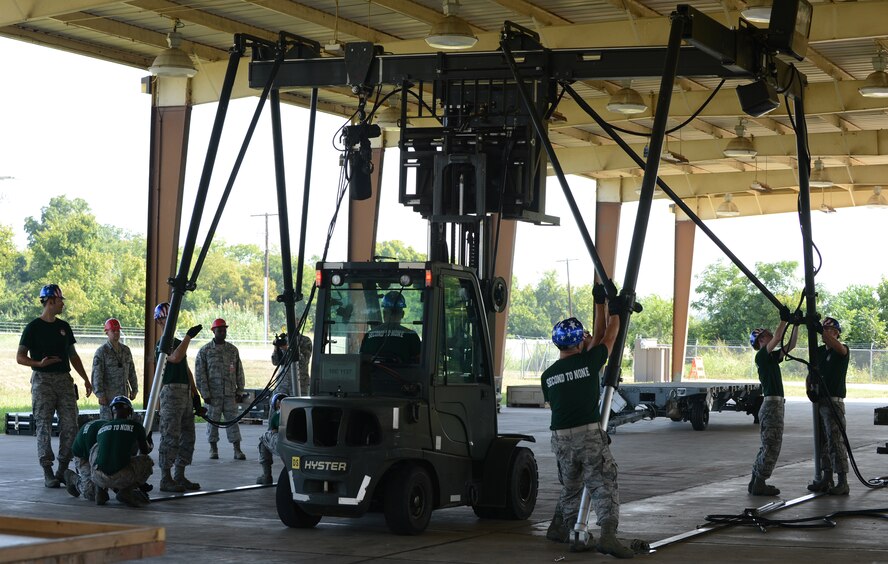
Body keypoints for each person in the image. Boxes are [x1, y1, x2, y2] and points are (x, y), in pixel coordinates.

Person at [540, 283, 633, 558]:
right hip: (588, 436)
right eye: (585, 337)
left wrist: (600, 303)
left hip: (560, 439)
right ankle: (607, 536)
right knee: (603, 482)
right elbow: (610, 335)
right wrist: (615, 309)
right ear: (579, 342)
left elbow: (598, 338)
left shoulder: (548, 375)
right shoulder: (588, 364)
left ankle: (568, 531)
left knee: (571, 486)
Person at [16, 284, 94, 488]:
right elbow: (20, 357)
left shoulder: (64, 327)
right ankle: (47, 470)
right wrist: (38, 364)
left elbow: (73, 355)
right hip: (43, 381)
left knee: (71, 425)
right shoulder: (33, 327)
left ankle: (62, 469)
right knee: (44, 426)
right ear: (50, 301)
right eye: (60, 301)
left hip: (64, 380)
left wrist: (86, 378)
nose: (63, 304)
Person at [748, 308, 799, 497]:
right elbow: (778, 337)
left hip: (773, 405)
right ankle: (760, 482)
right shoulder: (761, 356)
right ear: (761, 340)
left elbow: (790, 345)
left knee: (767, 445)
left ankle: (755, 480)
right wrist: (784, 321)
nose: (771, 336)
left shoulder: (770, 358)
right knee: (772, 445)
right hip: (772, 406)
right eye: (767, 335)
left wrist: (795, 325)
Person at [153, 302, 203, 492]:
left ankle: (179, 475)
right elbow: (174, 358)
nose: (171, 322)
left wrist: (195, 393)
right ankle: (166, 477)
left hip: (184, 392)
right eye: (167, 318)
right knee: (170, 435)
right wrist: (189, 337)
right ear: (159, 321)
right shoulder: (163, 343)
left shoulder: (175, 340)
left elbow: (186, 368)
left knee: (188, 436)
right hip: (171, 392)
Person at [807, 316, 851, 496]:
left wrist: (822, 331)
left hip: (834, 401)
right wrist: (808, 389)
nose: (825, 333)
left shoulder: (842, 350)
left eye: (830, 330)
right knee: (821, 441)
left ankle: (842, 481)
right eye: (824, 329)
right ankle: (826, 477)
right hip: (820, 400)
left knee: (835, 442)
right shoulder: (818, 352)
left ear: (837, 333)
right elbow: (810, 373)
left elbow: (836, 346)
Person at [195, 318, 247, 460]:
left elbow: (239, 371)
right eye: (220, 330)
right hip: (213, 396)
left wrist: (240, 391)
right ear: (213, 331)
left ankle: (237, 449)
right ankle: (213, 449)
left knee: (233, 422)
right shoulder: (205, 351)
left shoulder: (232, 350)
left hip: (230, 394)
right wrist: (204, 393)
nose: (222, 332)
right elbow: (200, 374)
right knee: (213, 423)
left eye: (224, 330)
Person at [91, 396, 154, 507]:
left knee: (97, 449)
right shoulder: (136, 426)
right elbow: (144, 451)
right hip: (122, 477)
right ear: (129, 412)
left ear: (112, 412)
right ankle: (126, 492)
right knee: (147, 461)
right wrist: (149, 443)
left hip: (98, 476)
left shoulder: (103, 427)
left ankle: (100, 490)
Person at [92, 318, 139, 421]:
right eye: (113, 331)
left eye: (118, 330)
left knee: (124, 424)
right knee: (107, 425)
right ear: (107, 332)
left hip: (123, 398)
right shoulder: (101, 352)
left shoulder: (126, 350)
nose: (116, 333)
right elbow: (97, 375)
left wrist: (134, 389)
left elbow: (131, 371)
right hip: (108, 398)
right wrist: (100, 394)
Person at [360, 291, 421, 363]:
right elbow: (419, 363)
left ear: (384, 314)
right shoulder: (411, 336)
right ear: (402, 314)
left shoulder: (369, 335)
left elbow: (361, 359)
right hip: (400, 374)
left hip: (371, 373)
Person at [65, 417, 108, 502]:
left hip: (93, 448)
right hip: (83, 455)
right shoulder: (99, 438)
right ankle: (72, 478)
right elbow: (96, 465)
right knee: (91, 493)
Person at [256, 392, 287, 485]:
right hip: (298, 441)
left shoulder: (276, 415)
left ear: (278, 403)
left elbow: (273, 431)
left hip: (284, 440)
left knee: (264, 439)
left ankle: (266, 476)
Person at [272, 332, 313, 396]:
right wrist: (276, 347)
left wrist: (288, 349)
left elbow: (304, 362)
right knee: (278, 404)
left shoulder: (305, 340)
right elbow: (275, 362)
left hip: (299, 384)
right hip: (283, 383)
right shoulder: (284, 340)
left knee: (299, 404)